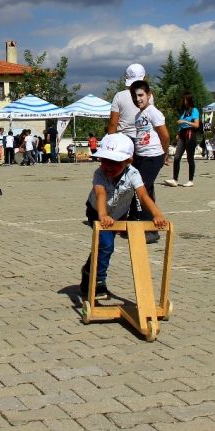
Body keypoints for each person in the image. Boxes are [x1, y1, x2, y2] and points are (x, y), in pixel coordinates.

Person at [79, 133, 167, 298]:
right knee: (106, 244)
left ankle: (88, 271)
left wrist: (156, 214)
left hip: (118, 213)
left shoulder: (133, 173)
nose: (109, 167)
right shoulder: (99, 174)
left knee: (104, 246)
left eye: (115, 163)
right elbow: (101, 194)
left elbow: (143, 195)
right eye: (105, 161)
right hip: (97, 210)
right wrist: (103, 215)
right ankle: (99, 281)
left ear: (128, 161)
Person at [128, 80, 170, 244]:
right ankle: (150, 221)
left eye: (140, 95)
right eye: (134, 96)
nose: (137, 99)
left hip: (153, 156)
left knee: (143, 188)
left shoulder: (153, 112)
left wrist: (165, 154)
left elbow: (164, 135)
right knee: (143, 188)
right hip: (141, 156)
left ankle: (150, 230)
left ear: (148, 95)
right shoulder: (139, 115)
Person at [164, 92, 200, 187]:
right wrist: (178, 133)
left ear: (188, 100)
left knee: (190, 158)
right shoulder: (184, 112)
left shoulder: (194, 110)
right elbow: (181, 125)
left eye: (184, 99)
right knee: (176, 157)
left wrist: (184, 121)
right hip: (182, 134)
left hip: (190, 134)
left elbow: (196, 125)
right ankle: (175, 180)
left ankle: (190, 180)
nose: (182, 101)